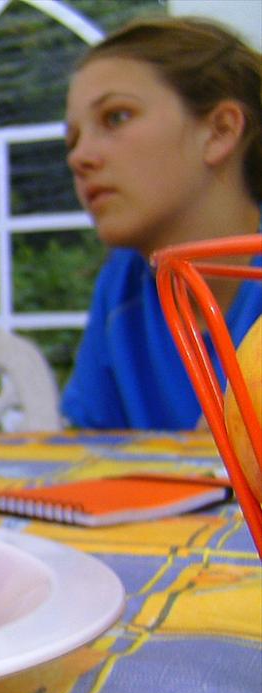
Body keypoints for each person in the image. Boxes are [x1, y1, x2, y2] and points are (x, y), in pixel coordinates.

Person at [60, 16, 261, 430]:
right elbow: (88, 450)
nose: (78, 159)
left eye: (116, 117)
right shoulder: (122, 285)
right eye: (72, 139)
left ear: (220, 131)